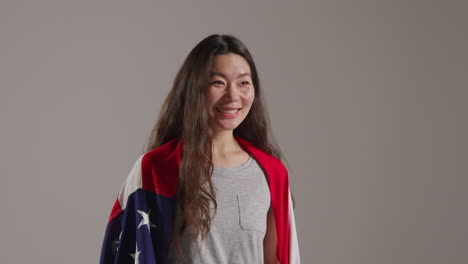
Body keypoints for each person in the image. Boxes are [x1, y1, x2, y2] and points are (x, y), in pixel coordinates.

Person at [100, 34, 300, 264]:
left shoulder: (272, 174)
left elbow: (275, 259)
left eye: (244, 83)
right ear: (194, 88)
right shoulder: (155, 169)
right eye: (218, 83)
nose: (233, 96)